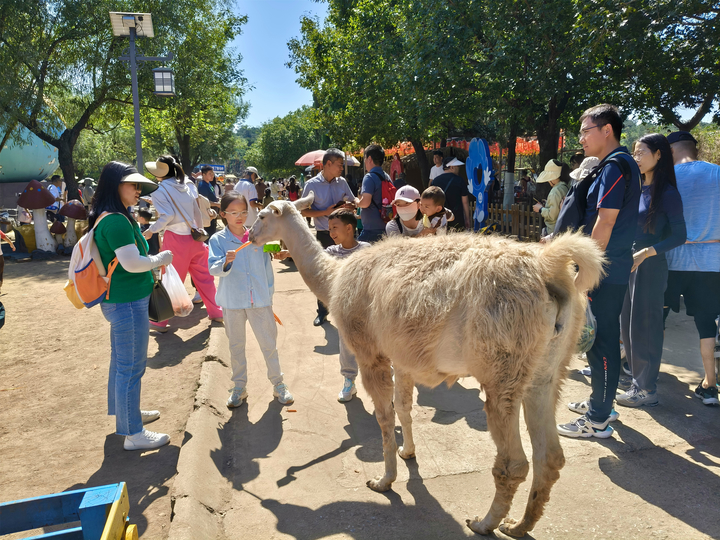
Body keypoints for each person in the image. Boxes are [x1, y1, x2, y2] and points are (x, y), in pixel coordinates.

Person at [558, 104, 641, 439]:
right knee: (601, 340)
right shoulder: (620, 165)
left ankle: (598, 420)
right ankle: (601, 403)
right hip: (611, 267)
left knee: (602, 342)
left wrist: (585, 273)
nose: (581, 138)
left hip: (604, 271)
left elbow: (604, 223)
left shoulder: (615, 166)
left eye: (586, 130)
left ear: (607, 130)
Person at [90, 161, 174, 450]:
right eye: (133, 185)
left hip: (123, 300)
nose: (138, 190)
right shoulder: (115, 220)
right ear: (116, 186)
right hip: (126, 302)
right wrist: (161, 259)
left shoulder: (114, 217)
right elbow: (131, 262)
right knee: (131, 366)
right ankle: (132, 433)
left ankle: (126, 417)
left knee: (122, 364)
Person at [615, 133, 686, 408]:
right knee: (627, 325)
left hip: (650, 263)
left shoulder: (667, 193)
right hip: (628, 262)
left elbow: (680, 235)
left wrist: (648, 252)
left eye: (642, 152)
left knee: (645, 326)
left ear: (659, 155)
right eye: (634, 152)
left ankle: (646, 388)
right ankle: (636, 380)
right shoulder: (635, 189)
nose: (637, 157)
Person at [208, 190, 294, 407]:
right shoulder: (218, 240)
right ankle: (239, 387)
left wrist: (280, 251)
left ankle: (278, 384)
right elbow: (213, 268)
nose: (239, 216)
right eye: (233, 212)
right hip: (233, 302)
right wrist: (226, 262)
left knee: (268, 344)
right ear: (223, 214)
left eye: (244, 212)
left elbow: (269, 249)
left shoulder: (257, 235)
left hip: (260, 299)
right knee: (236, 346)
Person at [664, 131, 720, 406]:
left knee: (657, 317)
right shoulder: (717, 174)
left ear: (671, 150)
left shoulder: (667, 178)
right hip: (712, 261)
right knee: (707, 323)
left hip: (672, 259)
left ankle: (644, 381)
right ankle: (710, 384)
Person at [143, 156, 223, 331]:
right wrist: (199, 232)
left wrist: (150, 231)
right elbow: (196, 212)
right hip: (195, 238)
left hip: (175, 239)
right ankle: (217, 312)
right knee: (204, 277)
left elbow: (167, 216)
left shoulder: (159, 189)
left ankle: (160, 321)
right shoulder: (188, 184)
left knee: (171, 279)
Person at [301, 148, 358, 326]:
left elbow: (353, 199)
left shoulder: (342, 183)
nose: (342, 168)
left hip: (346, 234)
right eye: (340, 165)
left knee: (350, 271)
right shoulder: (311, 185)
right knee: (323, 275)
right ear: (328, 164)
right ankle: (322, 311)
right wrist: (326, 212)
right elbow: (303, 211)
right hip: (325, 235)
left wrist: (352, 204)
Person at [325, 208, 371, 401]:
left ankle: (385, 377)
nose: (331, 232)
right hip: (344, 312)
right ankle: (349, 381)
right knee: (346, 346)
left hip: (367, 311)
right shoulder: (331, 252)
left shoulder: (366, 249)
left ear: (349, 228)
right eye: (329, 228)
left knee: (375, 346)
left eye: (334, 227)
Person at [357, 144, 390, 243]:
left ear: (369, 159)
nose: (365, 162)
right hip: (386, 225)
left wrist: (356, 203)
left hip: (371, 230)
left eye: (365, 159)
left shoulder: (369, 177)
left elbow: (366, 202)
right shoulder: (386, 176)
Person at [431, 157, 471, 231]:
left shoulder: (435, 181)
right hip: (457, 218)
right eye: (457, 167)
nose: (459, 169)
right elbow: (465, 202)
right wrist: (467, 219)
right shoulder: (460, 181)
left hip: (439, 219)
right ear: (452, 167)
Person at [533, 159, 571, 235]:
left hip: (553, 230)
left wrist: (540, 209)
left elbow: (552, 215)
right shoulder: (565, 187)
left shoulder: (555, 191)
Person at [197, 166, 221, 238]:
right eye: (210, 173)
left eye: (212, 173)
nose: (212, 175)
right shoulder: (202, 185)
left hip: (212, 214)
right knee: (208, 236)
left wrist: (217, 199)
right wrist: (217, 204)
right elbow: (204, 202)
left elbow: (211, 196)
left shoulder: (209, 184)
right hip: (207, 215)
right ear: (203, 174)